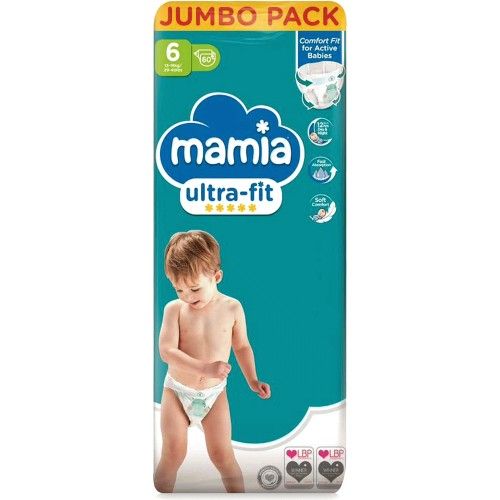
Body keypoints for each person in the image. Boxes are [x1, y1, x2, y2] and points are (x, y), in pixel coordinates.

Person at [154, 230, 271, 493]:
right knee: (173, 454)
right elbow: (167, 351)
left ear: (216, 277)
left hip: (214, 394)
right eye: (178, 289)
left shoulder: (232, 308)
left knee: (222, 455)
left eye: (194, 288)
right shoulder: (174, 309)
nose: (187, 296)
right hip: (177, 391)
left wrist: (253, 380)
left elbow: (242, 346)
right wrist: (204, 368)